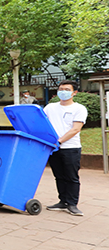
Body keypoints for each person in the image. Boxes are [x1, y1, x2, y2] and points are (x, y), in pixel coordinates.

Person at [44, 80, 88, 216]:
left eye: (67, 90)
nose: (63, 92)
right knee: (59, 176)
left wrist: (59, 141)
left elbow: (76, 129)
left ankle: (72, 204)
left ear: (75, 93)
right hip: (53, 148)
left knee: (71, 176)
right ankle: (62, 201)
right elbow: (43, 123)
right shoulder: (50, 107)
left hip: (71, 148)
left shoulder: (79, 109)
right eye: (61, 89)